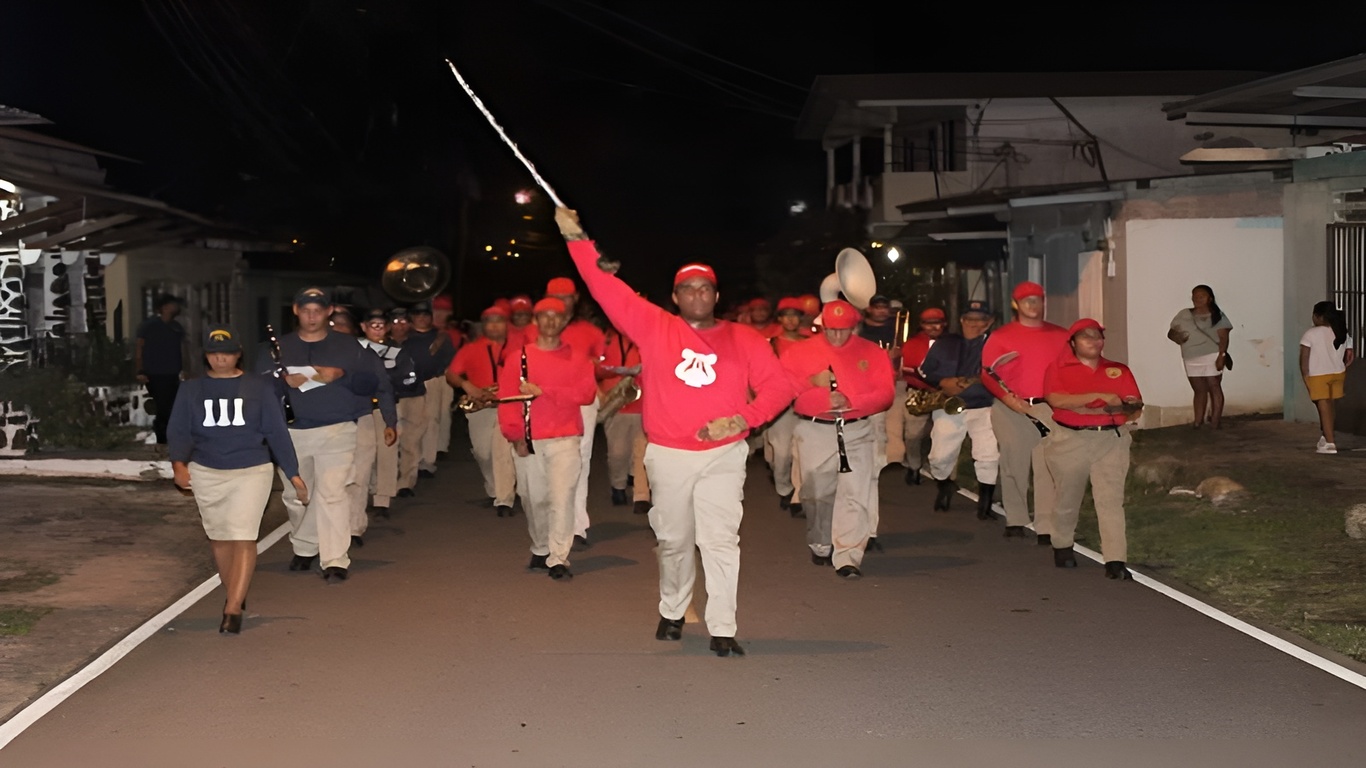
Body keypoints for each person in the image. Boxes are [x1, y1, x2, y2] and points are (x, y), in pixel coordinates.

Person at [556, 207, 794, 657]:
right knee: (673, 538)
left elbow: (780, 386)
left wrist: (744, 418)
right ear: (675, 296)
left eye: (705, 288)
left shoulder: (744, 338)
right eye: (689, 289)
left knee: (721, 539)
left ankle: (723, 625)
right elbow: (607, 289)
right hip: (668, 454)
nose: (698, 295)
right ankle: (672, 608)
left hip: (723, 453)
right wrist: (576, 239)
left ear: (716, 294)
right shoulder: (654, 327)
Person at [169, 325, 306, 634]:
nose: (221, 359)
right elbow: (179, 430)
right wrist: (179, 465)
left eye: (227, 353)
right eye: (215, 353)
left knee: (244, 535)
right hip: (206, 469)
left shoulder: (258, 387)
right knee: (220, 537)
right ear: (206, 356)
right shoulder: (191, 389)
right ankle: (236, 592)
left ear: (238, 354)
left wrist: (292, 472)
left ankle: (232, 608)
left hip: (251, 469)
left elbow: (275, 430)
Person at [258, 287, 391, 582]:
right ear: (295, 310)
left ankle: (334, 559)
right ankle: (305, 547)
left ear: (329, 311)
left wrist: (341, 375)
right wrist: (281, 381)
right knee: (297, 496)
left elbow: (373, 381)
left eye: (318, 309)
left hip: (337, 429)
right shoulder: (278, 346)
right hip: (292, 432)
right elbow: (260, 387)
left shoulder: (351, 346)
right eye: (306, 309)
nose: (312, 315)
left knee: (333, 493)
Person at [780, 300, 894, 578]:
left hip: (857, 427)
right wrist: (815, 387)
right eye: (831, 329)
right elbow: (782, 388)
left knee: (856, 492)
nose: (837, 336)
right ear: (822, 326)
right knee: (817, 491)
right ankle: (821, 540)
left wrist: (852, 400)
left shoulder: (872, 352)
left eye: (843, 330)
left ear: (854, 326)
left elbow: (886, 393)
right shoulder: (799, 351)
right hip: (815, 428)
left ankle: (848, 555)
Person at [498, 298, 598, 580]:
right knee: (532, 498)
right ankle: (541, 546)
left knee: (561, 497)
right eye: (545, 316)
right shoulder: (519, 357)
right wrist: (514, 434)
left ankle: (558, 556)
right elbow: (507, 398)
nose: (551, 321)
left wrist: (546, 390)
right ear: (536, 321)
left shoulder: (578, 359)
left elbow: (586, 394)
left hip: (565, 438)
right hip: (530, 438)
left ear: (566, 321)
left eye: (558, 316)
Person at [1040, 319, 1143, 580]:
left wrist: (1126, 406)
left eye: (1098, 336)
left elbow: (1133, 405)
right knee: (1068, 497)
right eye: (1087, 337)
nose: (1094, 341)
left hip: (1111, 439)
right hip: (1071, 440)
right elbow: (1056, 399)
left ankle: (1115, 559)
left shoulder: (1118, 370)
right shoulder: (1059, 368)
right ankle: (1062, 543)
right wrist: (1100, 398)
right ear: (1073, 342)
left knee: (1110, 501)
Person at [980, 281, 1071, 542]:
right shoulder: (1001, 336)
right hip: (1012, 407)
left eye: (1038, 299)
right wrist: (1008, 400)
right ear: (1016, 304)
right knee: (1014, 462)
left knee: (1048, 466)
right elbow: (987, 374)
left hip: (1049, 406)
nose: (1033, 304)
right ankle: (1016, 517)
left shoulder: (1061, 335)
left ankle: (1045, 524)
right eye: (1027, 300)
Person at [530, 276, 607, 548]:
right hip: (542, 402)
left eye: (567, 297)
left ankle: (575, 526)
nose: (562, 303)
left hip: (580, 401)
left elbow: (601, 366)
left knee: (579, 462)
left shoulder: (590, 331)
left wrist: (593, 374)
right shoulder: (534, 329)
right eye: (556, 297)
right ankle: (551, 524)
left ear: (575, 299)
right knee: (538, 468)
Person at [920, 300, 999, 516]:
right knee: (939, 456)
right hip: (948, 406)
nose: (974, 324)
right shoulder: (945, 343)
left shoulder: (996, 344)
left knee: (988, 455)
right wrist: (942, 382)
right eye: (970, 319)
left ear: (989, 322)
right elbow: (925, 370)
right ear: (962, 320)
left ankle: (985, 504)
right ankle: (945, 485)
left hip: (984, 406)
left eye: (981, 319)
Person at [447, 305, 519, 515]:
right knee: (482, 453)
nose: (495, 325)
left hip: (508, 405)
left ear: (507, 324)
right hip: (479, 407)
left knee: (501, 451)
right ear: (483, 325)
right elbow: (451, 374)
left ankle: (504, 499)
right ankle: (495, 489)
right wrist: (467, 385)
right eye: (490, 320)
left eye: (499, 320)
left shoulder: (518, 347)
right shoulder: (471, 348)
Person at [351, 308, 402, 525]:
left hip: (383, 407)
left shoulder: (395, 351)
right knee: (362, 460)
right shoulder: (354, 349)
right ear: (363, 327)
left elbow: (402, 377)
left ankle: (382, 499)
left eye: (382, 324)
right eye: (373, 324)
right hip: (361, 409)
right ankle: (367, 493)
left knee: (386, 455)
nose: (377, 329)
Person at [888, 307, 947, 486]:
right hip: (918, 392)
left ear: (944, 324)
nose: (933, 327)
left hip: (943, 392)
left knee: (944, 433)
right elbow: (906, 370)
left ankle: (942, 470)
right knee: (913, 434)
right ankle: (914, 466)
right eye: (928, 323)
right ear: (922, 325)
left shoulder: (952, 343)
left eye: (937, 323)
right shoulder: (912, 344)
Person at [767, 297, 809, 517]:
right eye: (786, 315)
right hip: (781, 406)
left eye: (795, 314)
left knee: (802, 453)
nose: (791, 319)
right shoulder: (771, 344)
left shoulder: (811, 342)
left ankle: (797, 495)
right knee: (782, 454)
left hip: (807, 403)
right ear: (780, 318)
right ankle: (783, 486)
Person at [1167, 284, 1231, 429]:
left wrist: (1222, 355)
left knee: (1214, 385)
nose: (1197, 299)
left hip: (1211, 354)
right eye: (1195, 296)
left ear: (1210, 298)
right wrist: (1178, 337)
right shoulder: (1184, 314)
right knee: (1199, 389)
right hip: (1191, 355)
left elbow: (1224, 337)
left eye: (1201, 296)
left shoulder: (1217, 316)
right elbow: (1171, 332)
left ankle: (1215, 421)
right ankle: (1198, 421)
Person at [408, 301, 458, 477]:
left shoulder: (441, 337)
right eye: (418, 315)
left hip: (433, 381)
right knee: (412, 423)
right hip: (410, 383)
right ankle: (410, 460)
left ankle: (427, 462)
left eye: (425, 315)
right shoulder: (405, 336)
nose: (421, 318)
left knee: (431, 421)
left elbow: (451, 359)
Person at [599, 322, 646, 509]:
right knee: (618, 452)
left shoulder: (648, 339)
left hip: (644, 404)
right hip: (616, 403)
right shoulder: (607, 339)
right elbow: (596, 368)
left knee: (641, 453)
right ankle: (618, 485)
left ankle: (641, 495)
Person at [1300, 301, 1355, 454]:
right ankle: (1325, 436)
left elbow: (1304, 359)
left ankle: (1330, 442)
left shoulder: (1311, 333)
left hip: (1319, 374)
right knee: (1330, 406)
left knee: (1323, 407)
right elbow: (1349, 353)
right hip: (1337, 373)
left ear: (1319, 316)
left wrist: (1306, 377)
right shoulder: (1340, 331)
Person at [135, 293, 186, 446]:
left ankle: (169, 438)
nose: (176, 308)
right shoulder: (149, 326)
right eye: (172, 304)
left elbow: (182, 349)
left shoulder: (176, 327)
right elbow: (139, 348)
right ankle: (162, 439)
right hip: (155, 373)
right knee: (164, 406)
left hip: (172, 373)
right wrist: (140, 370)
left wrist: (185, 369)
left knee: (173, 406)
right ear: (164, 307)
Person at [388, 308, 428, 498]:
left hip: (414, 395)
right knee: (389, 441)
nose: (400, 326)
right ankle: (385, 482)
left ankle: (406, 482)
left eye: (404, 321)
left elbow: (427, 367)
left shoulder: (418, 343)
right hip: (390, 398)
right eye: (395, 322)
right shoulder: (381, 344)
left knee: (411, 440)